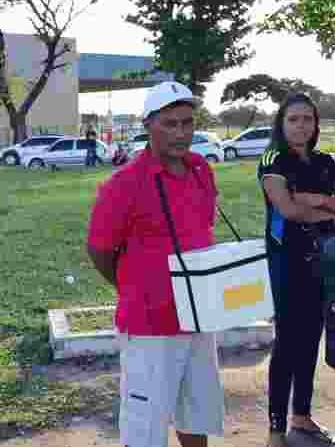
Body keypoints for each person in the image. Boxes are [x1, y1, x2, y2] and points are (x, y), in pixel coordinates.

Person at [87, 81, 225, 447]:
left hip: (199, 313)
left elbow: (204, 226)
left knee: (196, 410)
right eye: (170, 124)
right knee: (145, 426)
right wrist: (134, 287)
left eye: (187, 123)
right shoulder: (123, 184)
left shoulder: (200, 169)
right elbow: (99, 250)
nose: (181, 133)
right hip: (150, 323)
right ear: (148, 125)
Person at [258, 93, 335, 447]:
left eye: (307, 119)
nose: (301, 125)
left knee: (311, 340)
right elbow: (288, 211)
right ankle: (276, 430)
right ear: (282, 123)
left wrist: (315, 200)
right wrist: (330, 208)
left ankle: (301, 417)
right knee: (288, 342)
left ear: (316, 123)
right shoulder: (272, 159)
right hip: (287, 261)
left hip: (325, 258)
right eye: (293, 119)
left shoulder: (326, 161)